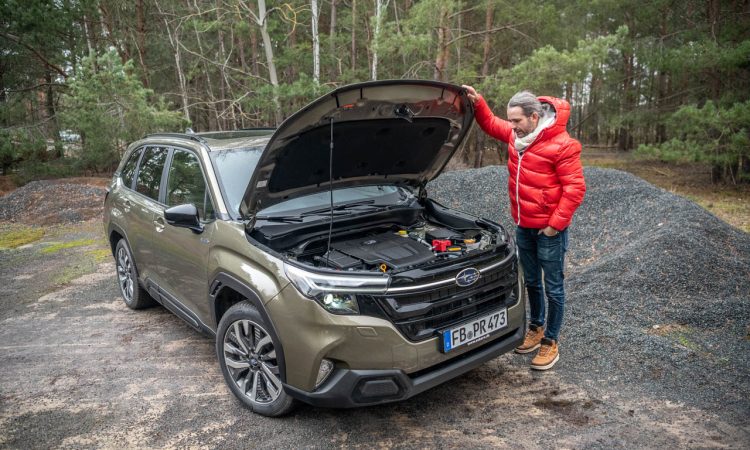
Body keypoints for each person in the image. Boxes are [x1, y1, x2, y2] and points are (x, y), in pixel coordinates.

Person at [462, 86, 586, 370]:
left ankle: (550, 342)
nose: (512, 126)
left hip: (549, 231)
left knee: (552, 286)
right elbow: (492, 123)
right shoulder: (516, 135)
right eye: (511, 120)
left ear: (533, 117)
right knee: (530, 281)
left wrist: (554, 226)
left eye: (517, 120)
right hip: (523, 226)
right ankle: (536, 327)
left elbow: (575, 189)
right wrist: (479, 102)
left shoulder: (562, 145)